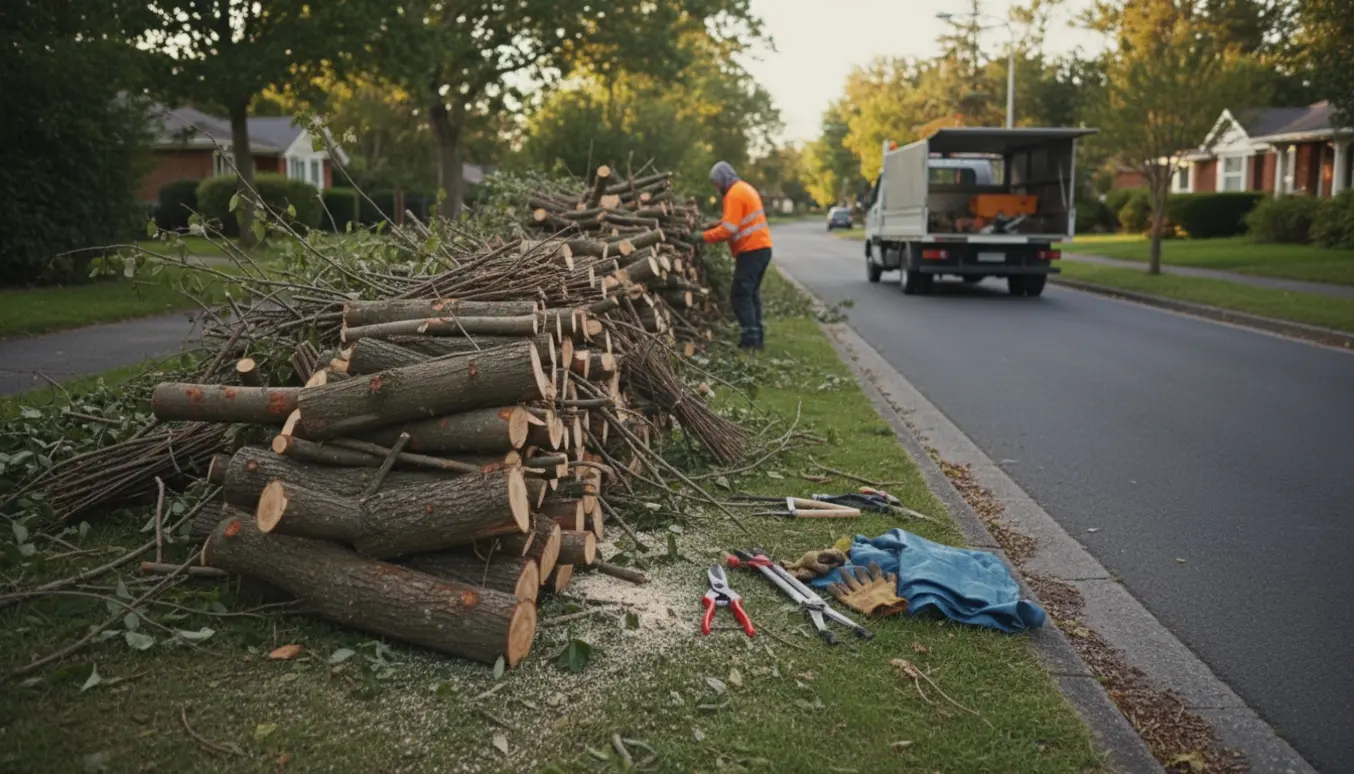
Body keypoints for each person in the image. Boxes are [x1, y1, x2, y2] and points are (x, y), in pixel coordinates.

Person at [701, 161, 773, 350]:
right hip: (762, 249)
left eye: (716, 183)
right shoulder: (745, 188)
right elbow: (735, 221)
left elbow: (729, 230)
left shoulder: (733, 194)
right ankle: (757, 336)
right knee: (751, 295)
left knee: (740, 295)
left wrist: (702, 237)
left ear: (723, 179)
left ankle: (750, 339)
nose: (716, 188)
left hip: (751, 251)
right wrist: (714, 225)